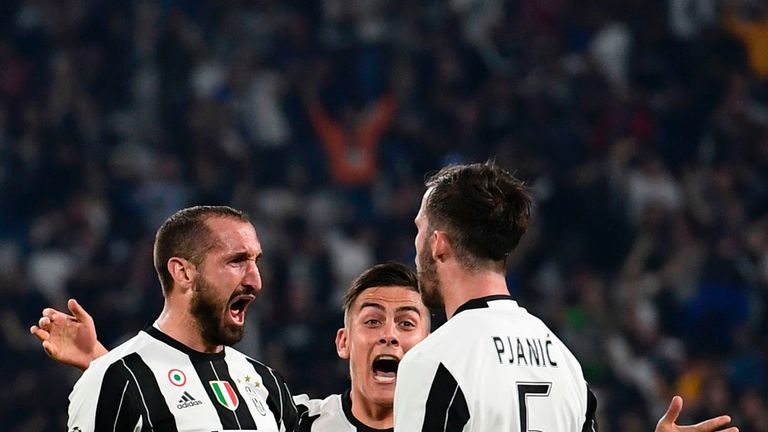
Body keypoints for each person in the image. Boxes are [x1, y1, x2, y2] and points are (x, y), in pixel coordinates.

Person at [32, 260, 734, 432]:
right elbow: (195, 416)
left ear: (430, 346)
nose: (390, 334)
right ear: (344, 341)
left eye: (407, 322)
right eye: (372, 320)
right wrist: (105, 366)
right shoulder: (298, 419)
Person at [393, 161, 738, 432]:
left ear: (438, 244)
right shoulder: (564, 362)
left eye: (419, 229)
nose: (415, 244)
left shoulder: (435, 361)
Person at [45, 205, 300, 431]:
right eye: (236, 261)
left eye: (256, 262)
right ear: (183, 273)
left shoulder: (267, 382)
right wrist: (108, 368)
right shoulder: (115, 378)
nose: (256, 281)